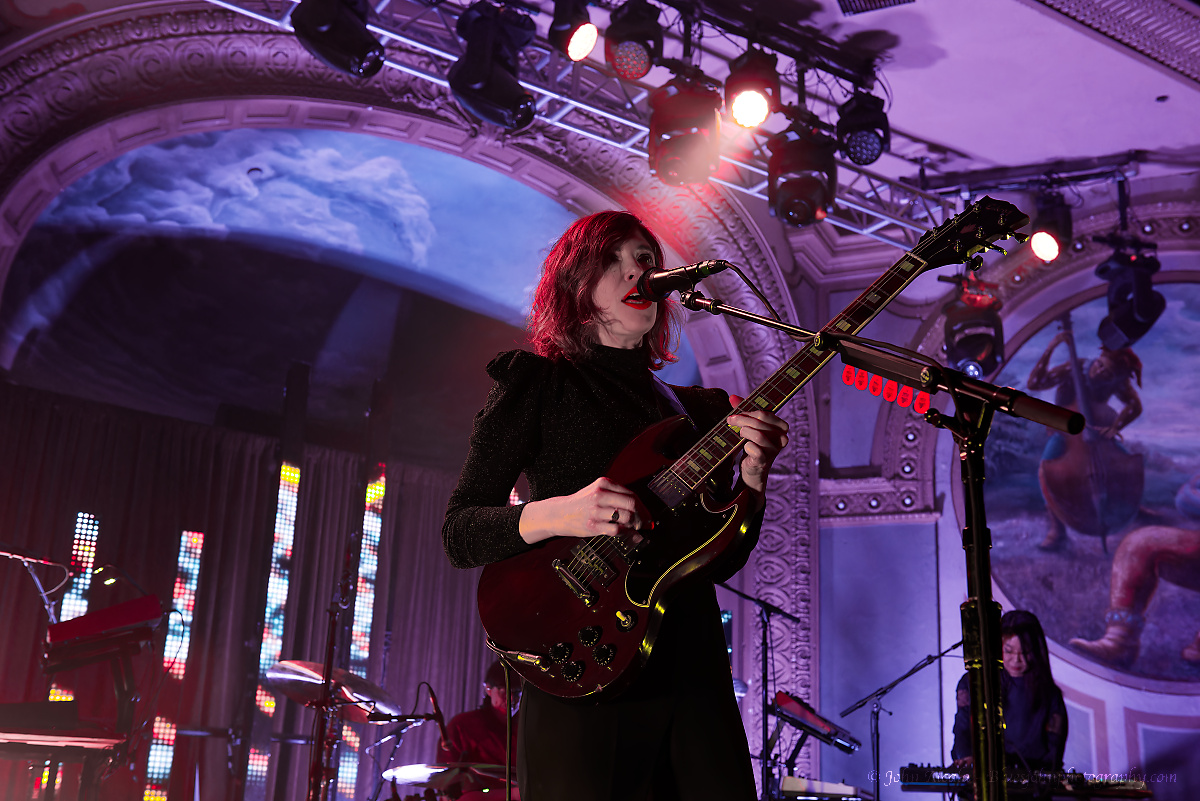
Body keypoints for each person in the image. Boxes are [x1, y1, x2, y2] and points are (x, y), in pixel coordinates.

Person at [441, 211, 790, 801]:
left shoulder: (698, 410)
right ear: (577, 283)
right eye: (618, 257)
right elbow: (460, 532)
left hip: (691, 661)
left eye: (648, 258)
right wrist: (561, 513)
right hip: (582, 656)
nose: (641, 269)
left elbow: (720, 554)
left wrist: (753, 476)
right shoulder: (541, 383)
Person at [1026, 331, 1144, 550]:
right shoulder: (1075, 367)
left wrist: (1115, 427)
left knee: (1127, 464)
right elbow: (1034, 383)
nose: (1099, 372)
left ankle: (1132, 507)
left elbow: (1135, 406)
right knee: (1047, 469)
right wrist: (1051, 347)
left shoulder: (1117, 381)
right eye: (1100, 365)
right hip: (1066, 431)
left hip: (1097, 434)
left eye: (1106, 373)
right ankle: (1057, 530)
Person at [951, 610, 1068, 776]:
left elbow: (1054, 748)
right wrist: (967, 758)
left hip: (1032, 786)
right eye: (1009, 651)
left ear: (1037, 651)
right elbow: (962, 728)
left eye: (1025, 652)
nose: (1016, 660)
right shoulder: (974, 683)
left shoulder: (1049, 694)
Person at [434, 661, 521, 801]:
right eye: (504, 691)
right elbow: (447, 780)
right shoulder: (463, 725)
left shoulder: (528, 730)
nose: (511, 699)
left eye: (517, 692)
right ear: (488, 689)